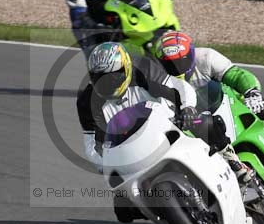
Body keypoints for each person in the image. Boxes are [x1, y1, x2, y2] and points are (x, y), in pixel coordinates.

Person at [77, 42, 254, 189]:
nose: (108, 83)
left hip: (167, 123)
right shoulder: (87, 103)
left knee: (204, 122)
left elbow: (179, 87)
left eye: (113, 76)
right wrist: (105, 164)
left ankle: (233, 161)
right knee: (124, 210)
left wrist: (187, 109)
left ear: (126, 67)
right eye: (100, 78)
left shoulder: (143, 70)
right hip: (130, 148)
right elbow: (92, 143)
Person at [152, 31, 264, 164]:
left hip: (225, 101)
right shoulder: (157, 78)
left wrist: (252, 93)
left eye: (181, 61)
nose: (177, 67)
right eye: (170, 64)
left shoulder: (206, 57)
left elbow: (237, 75)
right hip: (193, 122)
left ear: (191, 54)